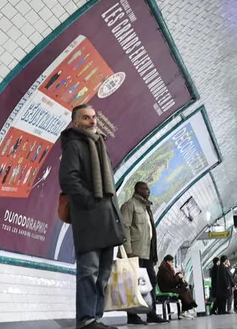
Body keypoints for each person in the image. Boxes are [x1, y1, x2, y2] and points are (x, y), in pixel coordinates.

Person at [59, 104, 126, 329]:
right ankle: (86, 319)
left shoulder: (99, 144)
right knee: (89, 271)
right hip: (88, 218)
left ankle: (96, 317)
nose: (92, 121)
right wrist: (89, 201)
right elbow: (69, 179)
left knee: (103, 274)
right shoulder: (74, 146)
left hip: (107, 217)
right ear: (76, 122)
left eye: (94, 116)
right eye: (86, 118)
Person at [120, 182, 168, 325]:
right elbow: (124, 228)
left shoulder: (147, 208)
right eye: (146, 189)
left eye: (148, 189)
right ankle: (132, 316)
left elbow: (150, 232)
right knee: (133, 284)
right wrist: (128, 251)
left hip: (147, 253)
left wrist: (154, 254)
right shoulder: (129, 205)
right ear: (138, 189)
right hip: (134, 252)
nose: (149, 191)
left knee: (151, 282)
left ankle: (151, 313)